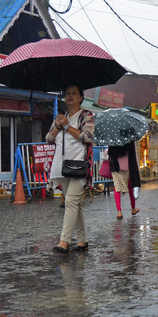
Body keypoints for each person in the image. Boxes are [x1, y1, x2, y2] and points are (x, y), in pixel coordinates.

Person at [46, 83, 95, 254]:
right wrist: (59, 126)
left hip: (79, 165)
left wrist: (67, 127)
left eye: (74, 93)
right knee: (75, 204)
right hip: (61, 166)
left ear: (81, 97)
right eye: (67, 93)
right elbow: (48, 139)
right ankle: (82, 240)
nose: (70, 95)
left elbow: (87, 137)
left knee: (71, 202)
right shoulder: (61, 117)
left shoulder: (86, 116)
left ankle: (64, 241)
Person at [108, 142, 141, 219]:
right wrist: (137, 167)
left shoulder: (113, 138)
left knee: (117, 187)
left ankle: (119, 211)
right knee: (130, 186)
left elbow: (109, 153)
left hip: (115, 166)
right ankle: (133, 208)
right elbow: (133, 153)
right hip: (128, 166)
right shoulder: (130, 137)